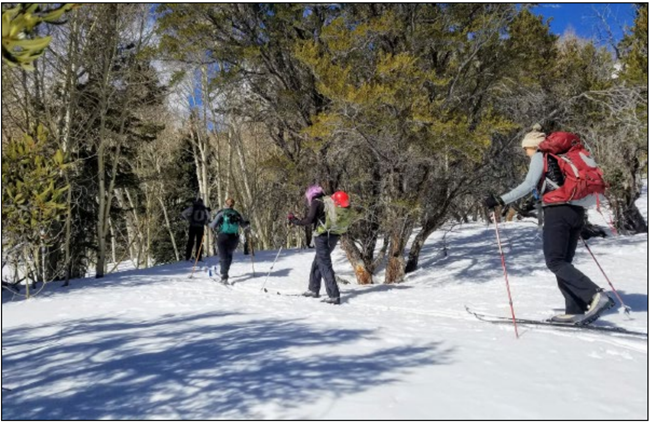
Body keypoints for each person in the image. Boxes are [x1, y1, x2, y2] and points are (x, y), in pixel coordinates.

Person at [483, 126, 614, 325]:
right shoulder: (563, 156)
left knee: (554, 261)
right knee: (563, 263)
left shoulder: (540, 156)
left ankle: (594, 294)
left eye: (525, 149)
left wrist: (500, 200)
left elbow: (528, 184)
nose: (526, 153)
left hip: (558, 212)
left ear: (532, 146)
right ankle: (575, 309)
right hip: (576, 212)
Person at [288, 185, 346, 305]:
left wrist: (294, 220)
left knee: (325, 264)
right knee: (318, 261)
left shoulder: (317, 202)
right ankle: (313, 289)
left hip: (322, 236)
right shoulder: (330, 201)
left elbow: (309, 220)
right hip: (334, 235)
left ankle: (334, 295)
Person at [209, 198, 249, 283]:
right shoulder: (237, 214)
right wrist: (247, 223)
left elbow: (213, 225)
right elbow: (244, 226)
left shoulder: (222, 213)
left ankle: (224, 276)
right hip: (234, 237)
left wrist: (207, 222)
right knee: (229, 255)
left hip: (223, 236)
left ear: (225, 204)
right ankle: (225, 272)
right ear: (233, 205)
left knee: (223, 256)